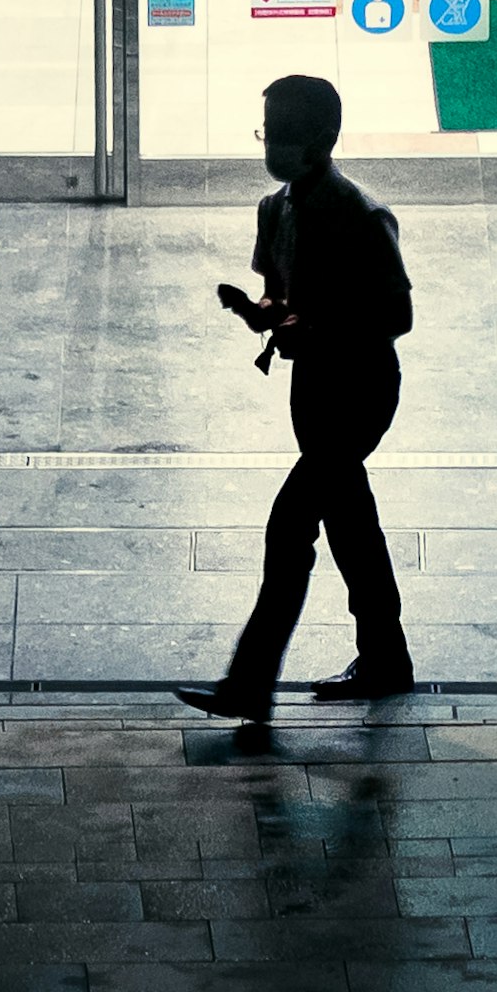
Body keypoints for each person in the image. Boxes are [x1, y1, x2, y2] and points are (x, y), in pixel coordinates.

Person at [180, 75, 417, 718]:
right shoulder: (274, 209)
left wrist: (310, 326)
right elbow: (282, 301)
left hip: (359, 389)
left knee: (290, 528)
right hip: (313, 386)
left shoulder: (363, 217)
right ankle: (387, 659)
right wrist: (258, 313)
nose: (272, 147)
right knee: (349, 524)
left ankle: (250, 684)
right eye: (267, 132)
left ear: (324, 139)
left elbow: (396, 316)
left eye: (283, 134)